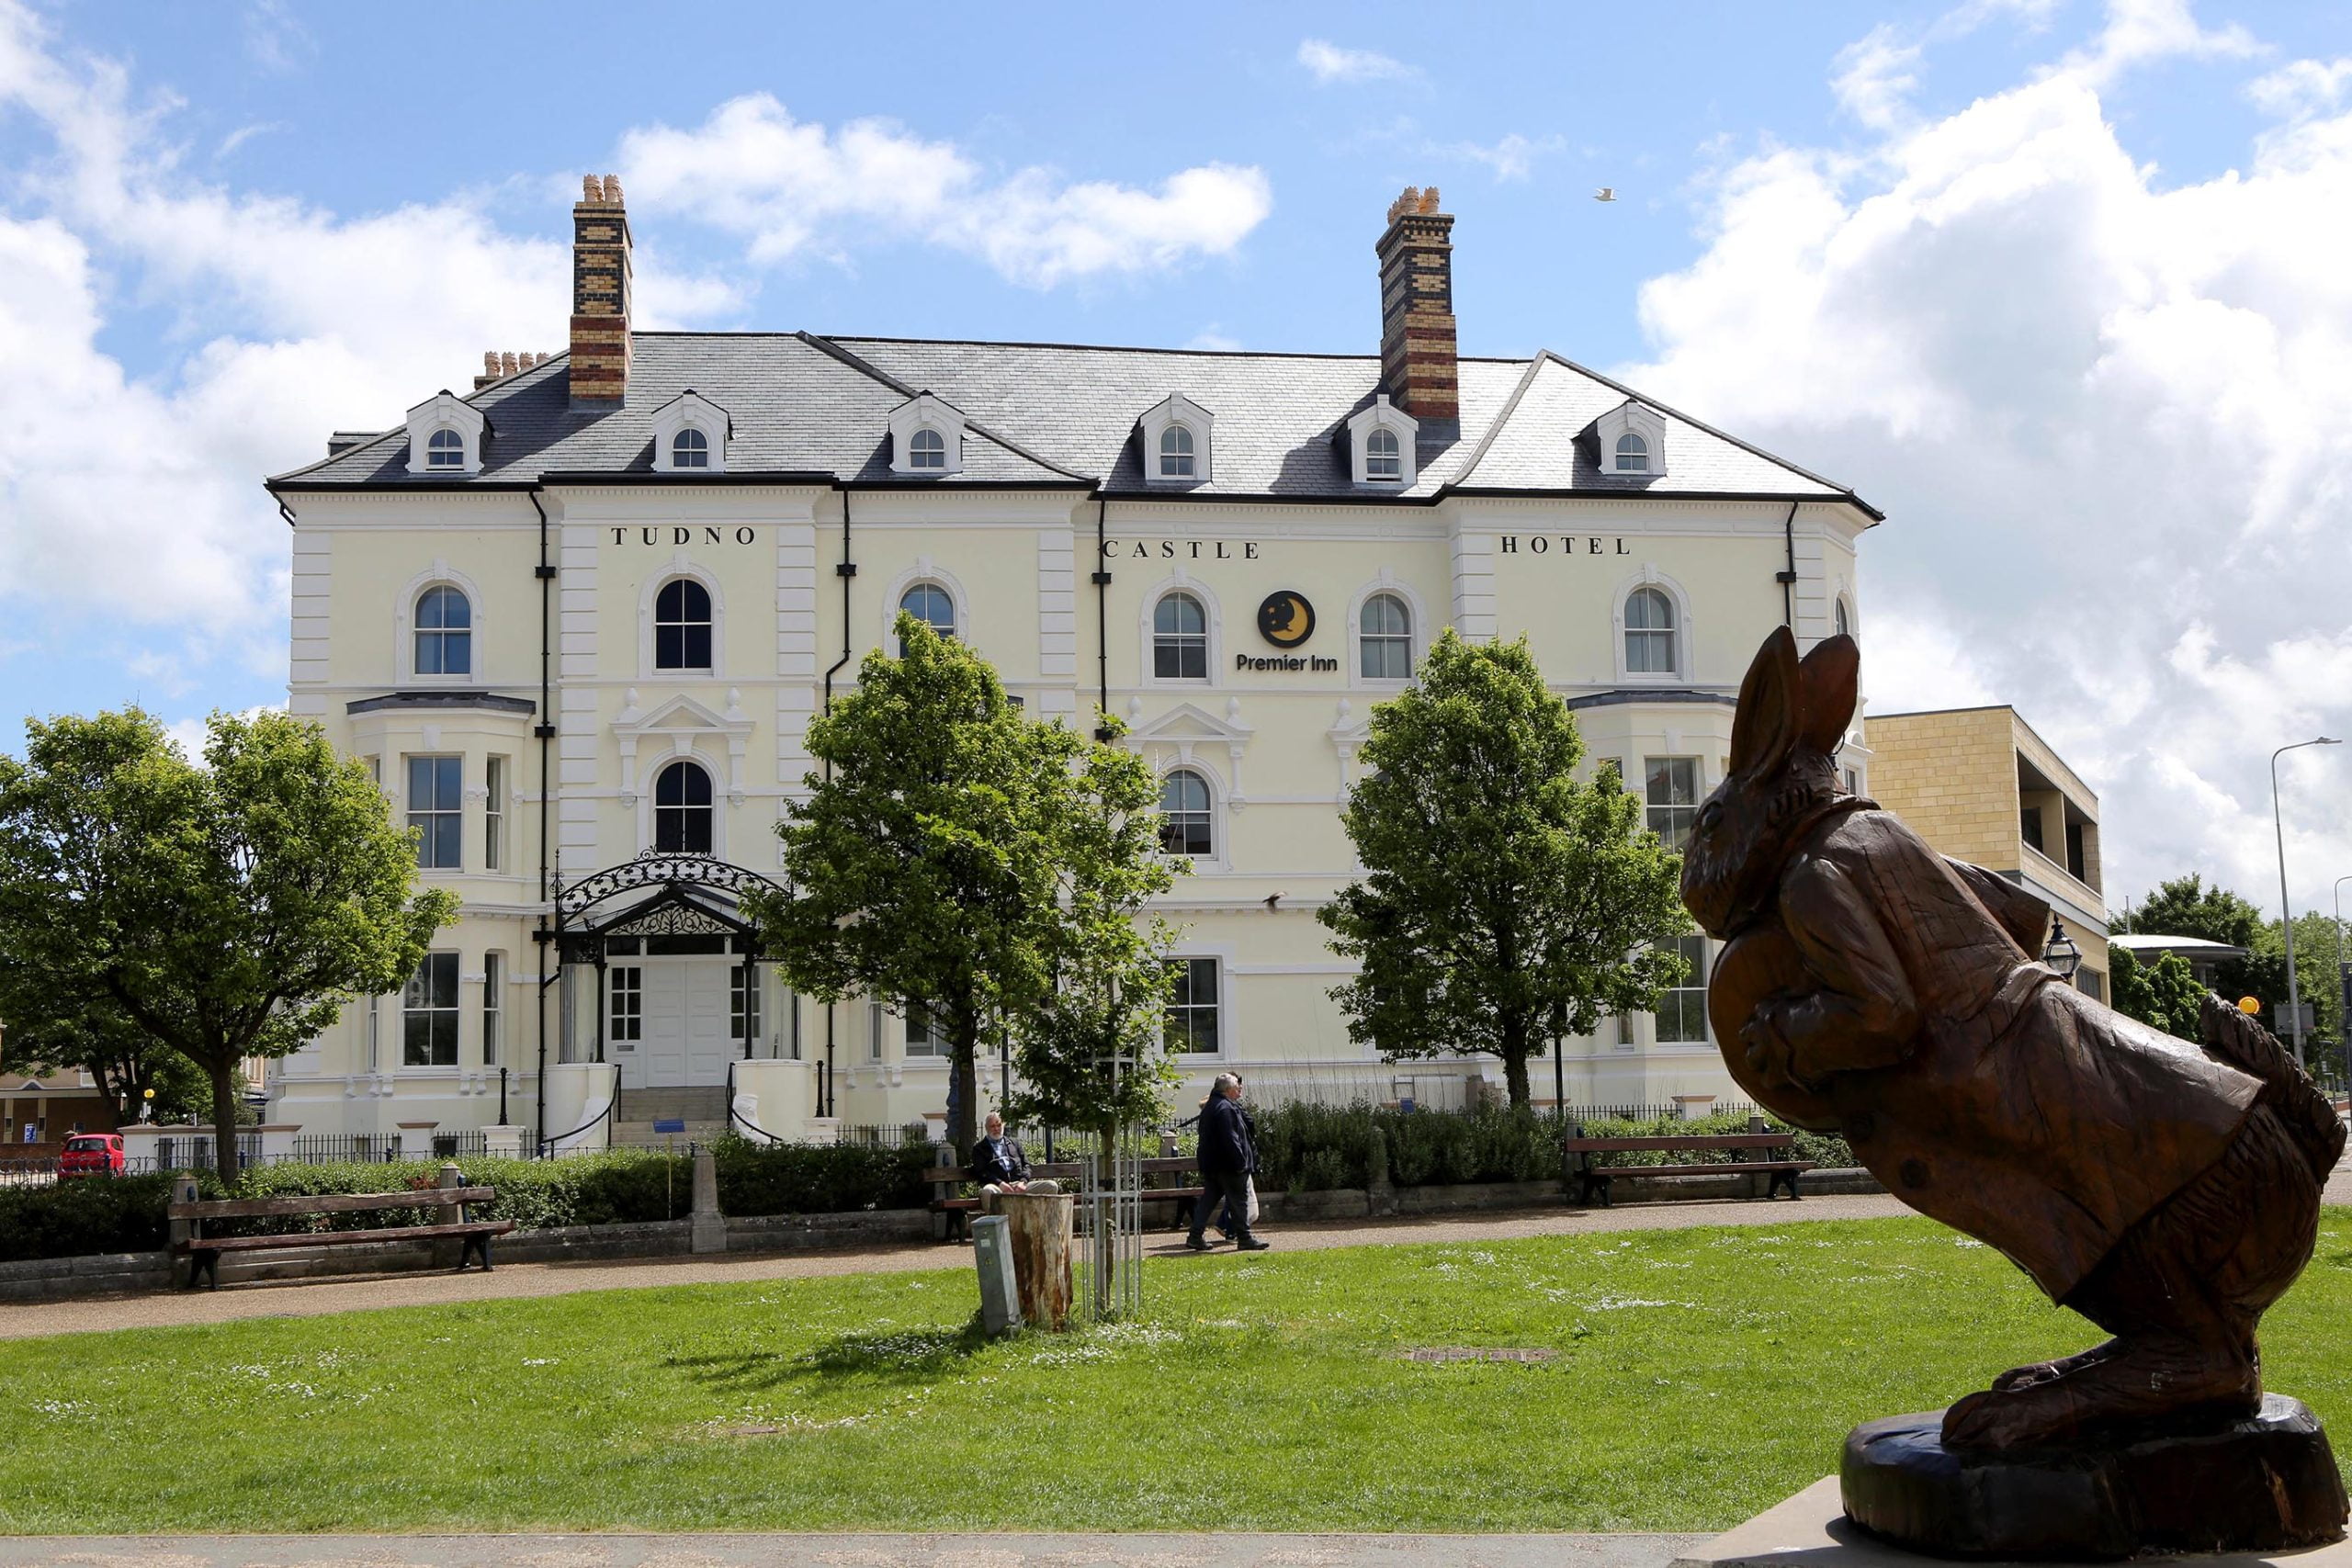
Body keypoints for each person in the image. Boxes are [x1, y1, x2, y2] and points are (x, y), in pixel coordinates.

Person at [1188, 1073, 1269, 1251]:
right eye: (1236, 1089)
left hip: (1213, 1164)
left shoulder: (1212, 1106)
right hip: (1228, 1165)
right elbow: (1230, 1139)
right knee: (1239, 1201)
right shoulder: (1225, 1108)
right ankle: (1245, 1238)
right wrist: (1240, 1162)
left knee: (1208, 1200)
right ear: (1228, 1090)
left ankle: (1194, 1236)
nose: (1239, 1092)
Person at [972, 1111, 1059, 1214]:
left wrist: (1023, 1182)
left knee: (1051, 1186)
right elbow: (981, 1171)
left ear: (1003, 1125)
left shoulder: (1014, 1143)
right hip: (998, 1187)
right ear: (986, 1128)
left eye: (999, 1125)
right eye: (992, 1126)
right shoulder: (979, 1148)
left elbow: (1026, 1165)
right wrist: (1000, 1183)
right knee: (987, 1191)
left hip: (1019, 1185)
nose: (996, 1129)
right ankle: (995, 1225)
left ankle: (1043, 1223)